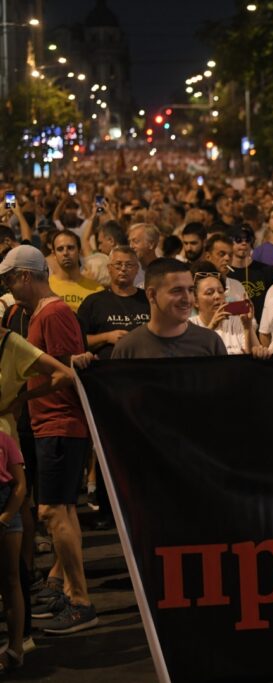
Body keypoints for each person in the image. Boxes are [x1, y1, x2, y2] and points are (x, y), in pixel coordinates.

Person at [0, 245, 98, 634]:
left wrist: (20, 396)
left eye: (9, 280)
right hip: (53, 423)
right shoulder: (38, 313)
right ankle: (68, 589)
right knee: (62, 512)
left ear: (26, 276)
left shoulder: (54, 313)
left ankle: (80, 600)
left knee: (52, 512)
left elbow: (66, 373)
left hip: (60, 423)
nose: (8, 288)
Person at [112, 258, 227, 358]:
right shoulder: (127, 349)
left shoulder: (210, 342)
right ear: (151, 295)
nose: (187, 299)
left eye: (190, 290)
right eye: (177, 291)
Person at [77, 247, 151, 359]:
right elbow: (78, 340)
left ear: (137, 269)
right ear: (109, 268)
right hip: (106, 369)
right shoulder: (93, 302)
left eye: (129, 265)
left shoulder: (149, 300)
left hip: (145, 365)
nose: (123, 269)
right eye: (118, 264)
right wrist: (106, 337)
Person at [189, 264, 268, 357]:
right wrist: (211, 327)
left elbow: (255, 355)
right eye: (209, 293)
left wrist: (248, 326)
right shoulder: (189, 326)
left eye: (220, 291)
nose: (217, 296)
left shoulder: (237, 322)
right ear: (195, 301)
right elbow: (191, 357)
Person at [0, 429, 27, 672]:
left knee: (10, 580)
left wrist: (5, 518)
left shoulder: (4, 439)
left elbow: (20, 485)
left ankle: (16, 647)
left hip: (6, 507)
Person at [227, 225, 273, 321]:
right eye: (238, 239)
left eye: (248, 240)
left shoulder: (266, 271)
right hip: (235, 330)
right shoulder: (224, 273)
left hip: (263, 328)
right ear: (229, 243)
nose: (244, 243)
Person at [48, 231, 103, 312]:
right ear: (54, 255)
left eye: (70, 248)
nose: (65, 253)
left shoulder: (97, 290)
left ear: (79, 251)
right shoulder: (46, 287)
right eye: (60, 249)